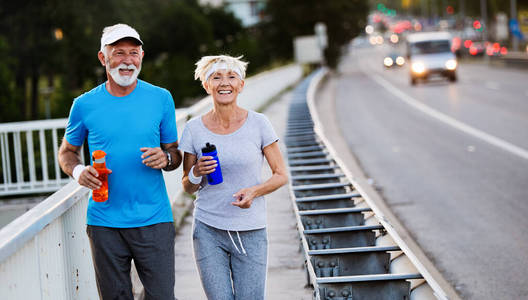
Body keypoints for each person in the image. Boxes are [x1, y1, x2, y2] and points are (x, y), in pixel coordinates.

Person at [58, 23, 182, 300]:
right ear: (103, 58)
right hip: (104, 222)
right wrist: (78, 171)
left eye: (133, 53)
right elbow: (67, 152)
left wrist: (166, 158)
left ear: (141, 56)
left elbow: (175, 153)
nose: (127, 60)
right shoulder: (84, 104)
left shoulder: (161, 98)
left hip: (154, 218)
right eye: (118, 53)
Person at [179, 55, 288, 299]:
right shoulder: (193, 129)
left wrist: (254, 191)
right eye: (216, 77)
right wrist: (197, 172)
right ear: (207, 85)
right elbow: (187, 186)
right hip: (208, 229)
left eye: (231, 76)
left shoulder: (259, 123)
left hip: (251, 228)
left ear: (241, 84)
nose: (224, 83)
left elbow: (281, 175)